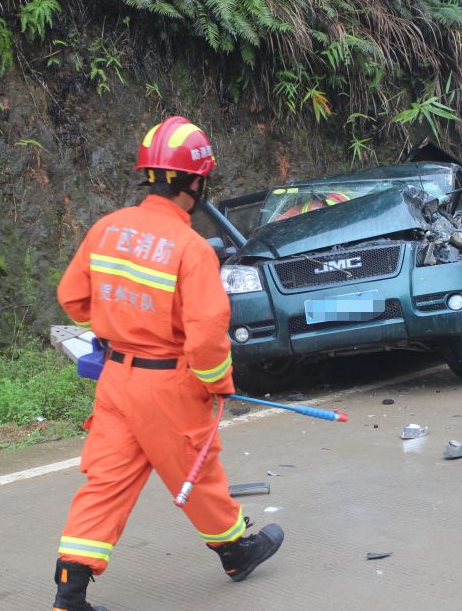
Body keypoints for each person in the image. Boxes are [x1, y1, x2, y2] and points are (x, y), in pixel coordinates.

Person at [51, 116, 284, 610]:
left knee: (105, 483)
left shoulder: (106, 229)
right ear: (196, 182)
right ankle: (235, 551)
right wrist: (216, 383)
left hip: (115, 381)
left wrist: (121, 323)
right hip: (169, 384)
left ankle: (69, 595)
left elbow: (72, 297)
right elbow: (204, 338)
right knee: (195, 473)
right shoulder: (191, 249)